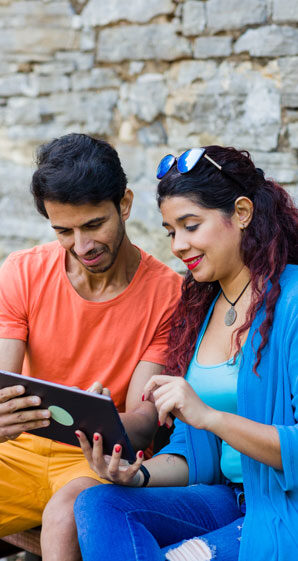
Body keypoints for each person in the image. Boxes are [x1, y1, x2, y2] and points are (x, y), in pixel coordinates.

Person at [74, 145, 298, 561]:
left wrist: (210, 416)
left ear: (243, 213)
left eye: (190, 226)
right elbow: (194, 455)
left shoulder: (293, 304)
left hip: (283, 507)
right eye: (170, 231)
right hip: (227, 499)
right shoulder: (201, 310)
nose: (178, 245)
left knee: (181, 556)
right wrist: (135, 474)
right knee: (97, 504)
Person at [0, 133, 182, 561]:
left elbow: (144, 420)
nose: (82, 246)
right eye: (64, 231)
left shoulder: (168, 294)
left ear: (125, 204)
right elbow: (4, 381)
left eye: (93, 225)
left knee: (67, 518)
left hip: (95, 459)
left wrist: (106, 421)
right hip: (18, 449)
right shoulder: (23, 271)